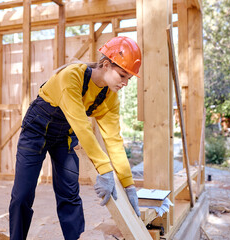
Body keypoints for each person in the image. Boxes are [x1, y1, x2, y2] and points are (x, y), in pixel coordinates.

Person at [9, 36, 142, 240]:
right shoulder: (72, 76)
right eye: (122, 75)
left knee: (69, 195)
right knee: (22, 195)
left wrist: (128, 184)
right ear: (106, 65)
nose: (125, 83)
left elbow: (113, 140)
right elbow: (82, 125)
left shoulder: (110, 98)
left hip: (65, 136)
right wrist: (105, 170)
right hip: (36, 129)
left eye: (128, 79)